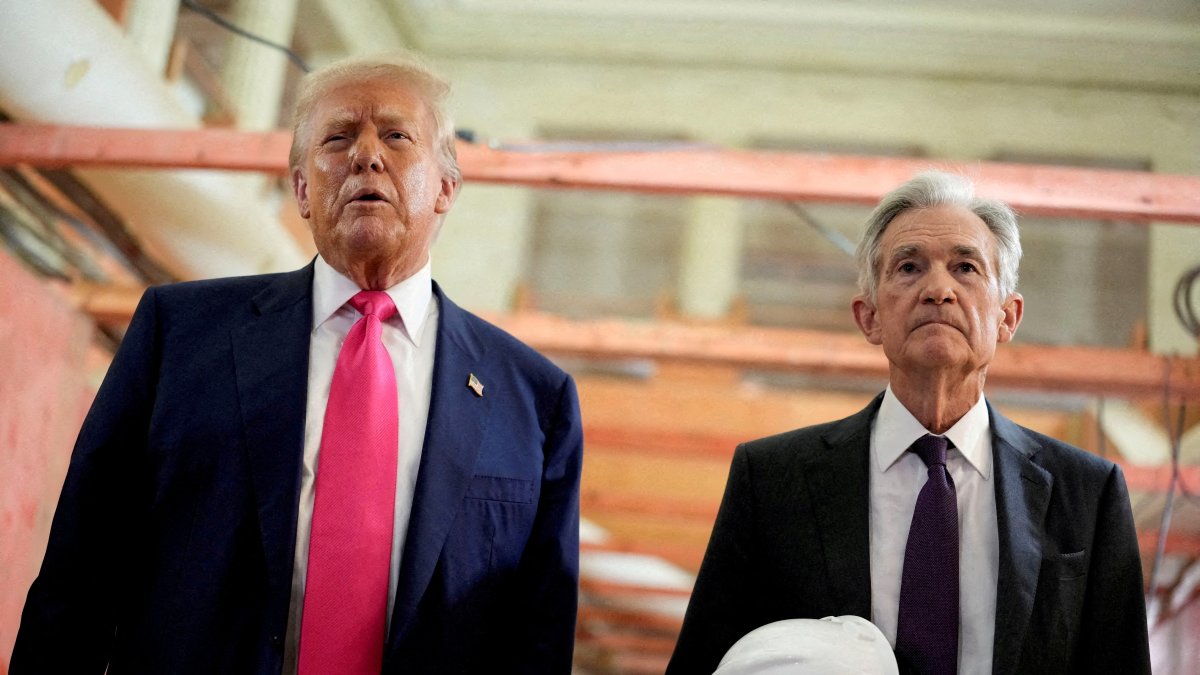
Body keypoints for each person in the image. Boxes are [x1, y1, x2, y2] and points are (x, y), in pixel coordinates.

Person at [12, 52, 583, 674]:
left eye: (396, 135)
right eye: (338, 138)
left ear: (446, 187)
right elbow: (81, 569)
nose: (367, 155)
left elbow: (539, 637)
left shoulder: (533, 399)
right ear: (303, 189)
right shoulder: (179, 336)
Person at [667, 171, 1150, 675]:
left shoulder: (1087, 495)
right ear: (869, 316)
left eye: (965, 267)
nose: (937, 289)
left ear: (1008, 316)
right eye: (908, 267)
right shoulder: (770, 480)